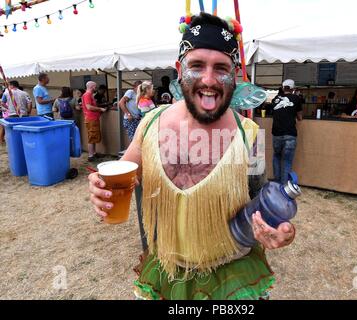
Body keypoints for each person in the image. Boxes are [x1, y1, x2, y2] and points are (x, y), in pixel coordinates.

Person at [88, 12, 295, 300]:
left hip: (232, 277)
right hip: (169, 274)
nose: (208, 80)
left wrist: (282, 232)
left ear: (234, 73)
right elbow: (124, 174)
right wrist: (100, 189)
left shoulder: (250, 135)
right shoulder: (149, 125)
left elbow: (262, 207)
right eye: (197, 65)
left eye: (221, 68)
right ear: (179, 68)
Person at [271, 79, 302, 185]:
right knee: (287, 161)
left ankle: (277, 183)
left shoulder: (275, 99)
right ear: (293, 88)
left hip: (277, 134)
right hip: (290, 134)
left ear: (283, 87)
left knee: (277, 156)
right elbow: (300, 117)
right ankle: (284, 186)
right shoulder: (297, 98)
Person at [81, 81, 107, 162]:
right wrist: (100, 109)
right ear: (92, 87)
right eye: (95, 87)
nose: (96, 88)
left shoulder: (89, 95)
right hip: (91, 119)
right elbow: (89, 107)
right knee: (92, 137)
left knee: (93, 136)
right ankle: (91, 156)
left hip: (92, 118)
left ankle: (94, 153)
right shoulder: (87, 95)